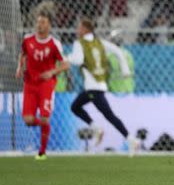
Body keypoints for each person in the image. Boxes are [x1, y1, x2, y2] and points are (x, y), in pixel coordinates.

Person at [68, 18, 139, 155]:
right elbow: (118, 51)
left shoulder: (79, 43)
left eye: (79, 27)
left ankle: (131, 140)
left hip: (93, 87)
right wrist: (125, 70)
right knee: (76, 106)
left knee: (108, 115)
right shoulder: (101, 42)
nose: (77, 30)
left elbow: (77, 60)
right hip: (99, 84)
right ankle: (97, 129)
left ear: (85, 29)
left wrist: (66, 58)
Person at [15, 11, 70, 160]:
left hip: (46, 84)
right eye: (38, 22)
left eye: (43, 22)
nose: (40, 25)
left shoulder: (54, 44)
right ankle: (45, 125)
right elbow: (23, 54)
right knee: (28, 120)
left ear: (49, 25)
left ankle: (42, 151)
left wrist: (52, 72)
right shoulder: (27, 40)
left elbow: (66, 65)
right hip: (30, 84)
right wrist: (19, 68)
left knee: (45, 118)